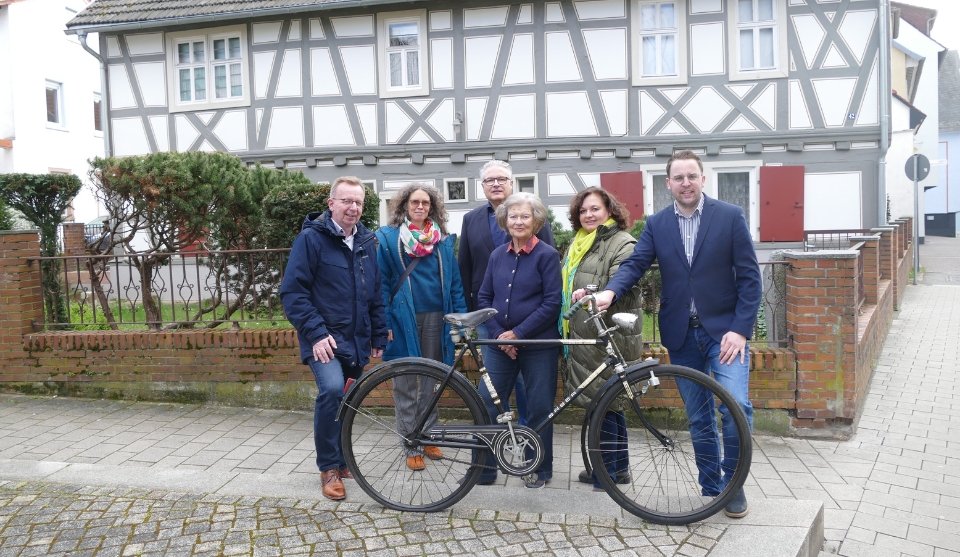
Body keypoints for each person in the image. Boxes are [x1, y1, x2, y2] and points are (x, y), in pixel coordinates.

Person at [575, 150, 761, 517]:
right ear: (669, 183)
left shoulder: (729, 217)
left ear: (703, 179)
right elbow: (636, 264)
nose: (686, 183)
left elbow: (751, 280)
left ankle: (734, 483)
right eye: (679, 178)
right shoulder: (659, 224)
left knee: (737, 406)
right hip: (681, 335)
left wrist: (740, 330)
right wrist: (610, 290)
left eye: (692, 176)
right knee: (698, 416)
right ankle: (713, 487)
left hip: (725, 334)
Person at [280, 176, 387, 502]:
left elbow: (375, 294)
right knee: (330, 391)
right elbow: (293, 293)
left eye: (358, 202)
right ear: (331, 204)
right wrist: (316, 333)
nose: (353, 207)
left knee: (348, 399)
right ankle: (328, 467)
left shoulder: (368, 243)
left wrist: (379, 333)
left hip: (356, 340)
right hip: (323, 339)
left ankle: (342, 461)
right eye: (346, 201)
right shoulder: (311, 240)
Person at [375, 183, 467, 472]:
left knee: (431, 381)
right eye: (414, 202)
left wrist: (460, 319)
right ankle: (410, 443)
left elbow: (454, 285)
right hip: (403, 319)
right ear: (404, 206)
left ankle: (428, 436)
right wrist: (385, 322)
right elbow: (382, 285)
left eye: (425, 203)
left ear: (432, 207)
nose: (420, 206)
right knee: (406, 383)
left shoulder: (442, 241)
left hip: (437, 319)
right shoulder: (389, 239)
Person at [560, 187, 644, 491]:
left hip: (611, 334)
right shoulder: (582, 243)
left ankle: (606, 473)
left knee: (605, 402)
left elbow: (624, 277)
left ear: (610, 210)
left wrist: (594, 291)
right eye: (583, 211)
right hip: (588, 332)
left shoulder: (621, 241)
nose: (588, 215)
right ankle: (617, 469)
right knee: (608, 403)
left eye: (595, 209)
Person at [458, 160, 554, 425]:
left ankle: (526, 436)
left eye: (502, 179)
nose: (496, 184)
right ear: (483, 186)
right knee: (493, 390)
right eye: (490, 180)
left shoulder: (532, 214)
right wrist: (471, 314)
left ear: (511, 183)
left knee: (528, 386)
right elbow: (464, 268)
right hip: (490, 319)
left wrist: (522, 331)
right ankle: (500, 440)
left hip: (531, 322)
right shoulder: (471, 220)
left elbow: (548, 265)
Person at [476, 192, 561, 489]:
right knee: (486, 402)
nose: (519, 221)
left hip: (538, 346)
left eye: (525, 216)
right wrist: (502, 335)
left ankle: (539, 467)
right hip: (501, 346)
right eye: (513, 216)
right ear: (505, 221)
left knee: (538, 407)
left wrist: (519, 334)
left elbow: (552, 303)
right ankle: (484, 469)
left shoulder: (547, 255)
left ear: (536, 221)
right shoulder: (497, 255)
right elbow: (485, 297)